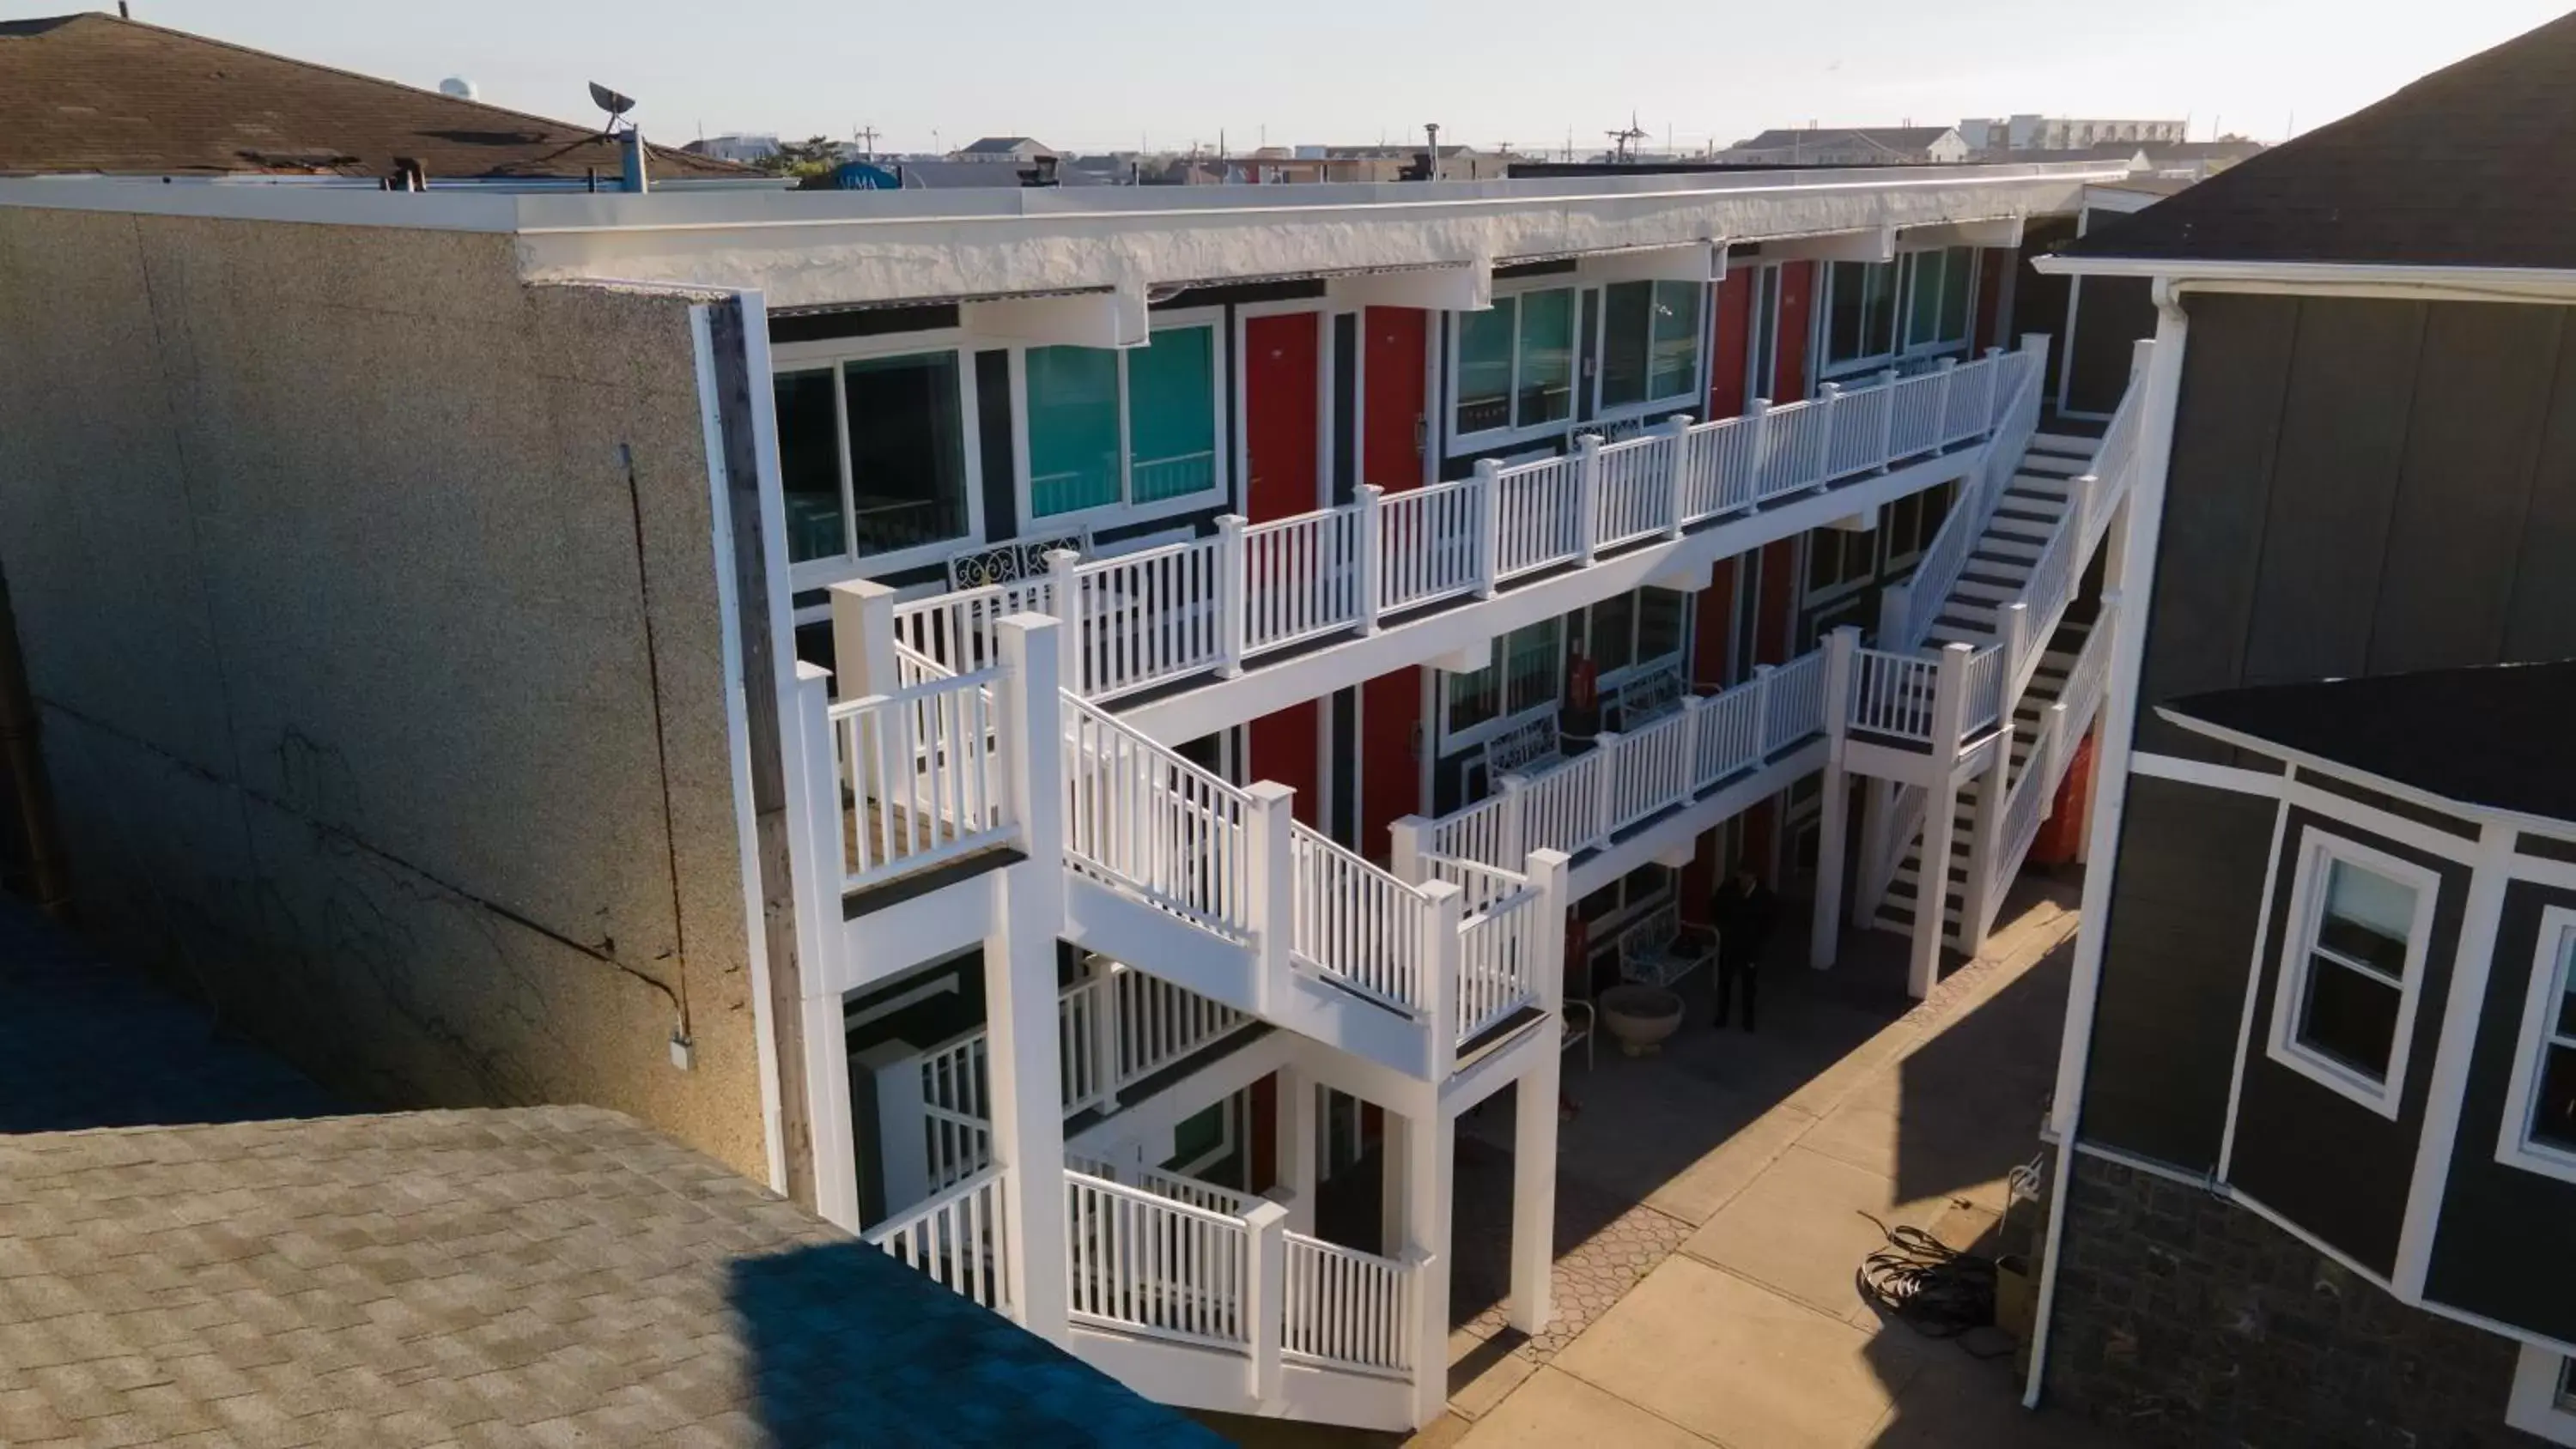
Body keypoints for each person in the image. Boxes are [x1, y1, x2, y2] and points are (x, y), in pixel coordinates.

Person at [1708, 868, 1777, 1031]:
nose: (1745, 878)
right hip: (1729, 945)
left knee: (1749, 986)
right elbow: (1714, 908)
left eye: (1749, 874)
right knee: (1725, 983)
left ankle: (1748, 1021)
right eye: (1742, 874)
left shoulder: (1764, 896)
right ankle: (1722, 1017)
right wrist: (1723, 928)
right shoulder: (1728, 891)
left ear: (1755, 875)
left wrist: (1761, 939)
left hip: (1750, 948)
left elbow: (1772, 920)